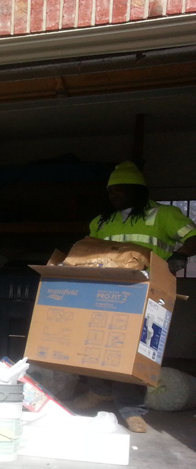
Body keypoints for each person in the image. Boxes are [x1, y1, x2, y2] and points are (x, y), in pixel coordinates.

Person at [72, 161, 196, 432]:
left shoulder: (164, 215)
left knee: (136, 351)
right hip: (107, 292)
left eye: (121, 189)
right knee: (98, 342)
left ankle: (131, 409)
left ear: (138, 190)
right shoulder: (101, 221)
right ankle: (99, 391)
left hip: (147, 292)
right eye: (111, 190)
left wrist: (181, 254)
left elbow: (193, 236)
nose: (114, 195)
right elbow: (86, 250)